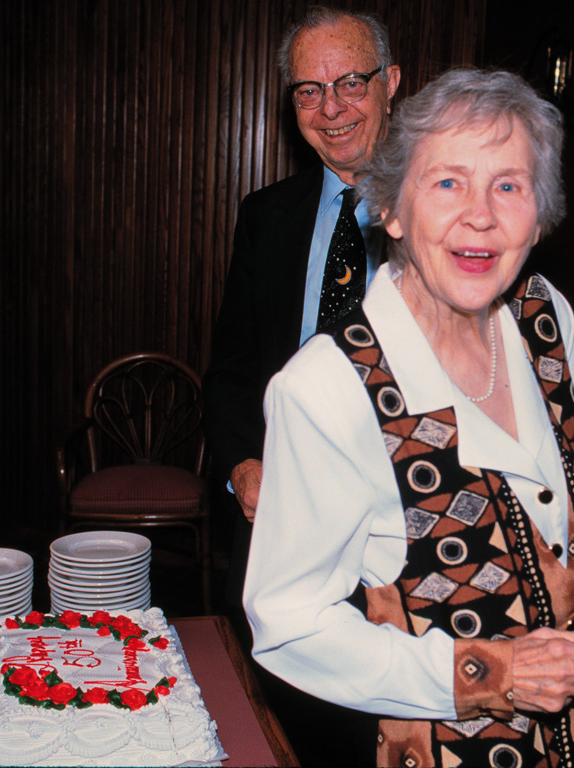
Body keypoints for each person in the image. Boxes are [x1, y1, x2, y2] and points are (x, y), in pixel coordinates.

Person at [244, 68, 574, 767]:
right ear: (389, 209)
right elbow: (288, 627)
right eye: (447, 181)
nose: (480, 214)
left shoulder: (547, 319)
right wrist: (495, 675)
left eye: (508, 185)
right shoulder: (326, 388)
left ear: (537, 215)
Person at [202, 6, 401, 619]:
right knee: (270, 706)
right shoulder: (266, 217)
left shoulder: (443, 210)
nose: (331, 109)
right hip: (283, 524)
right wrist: (241, 465)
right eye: (309, 90)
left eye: (350, 83)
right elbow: (232, 368)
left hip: (404, 527)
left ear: (390, 84)